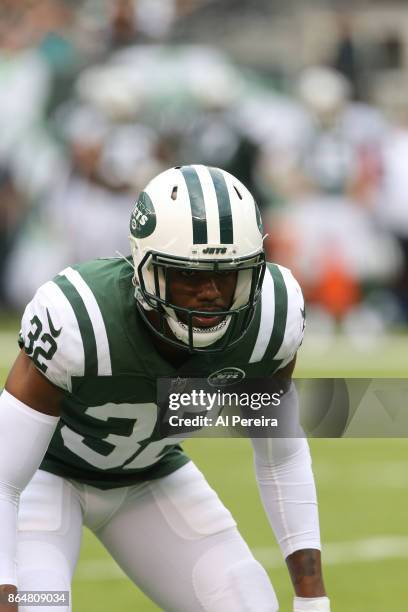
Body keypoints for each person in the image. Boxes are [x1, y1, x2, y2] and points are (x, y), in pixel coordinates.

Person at [0, 165, 330, 612]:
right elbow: (5, 479)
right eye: (189, 275)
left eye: (227, 273)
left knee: (248, 604)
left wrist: (312, 599)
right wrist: (6, 586)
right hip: (46, 480)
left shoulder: (272, 316)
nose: (210, 293)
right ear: (144, 266)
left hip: (150, 478)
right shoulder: (81, 317)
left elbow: (281, 454)